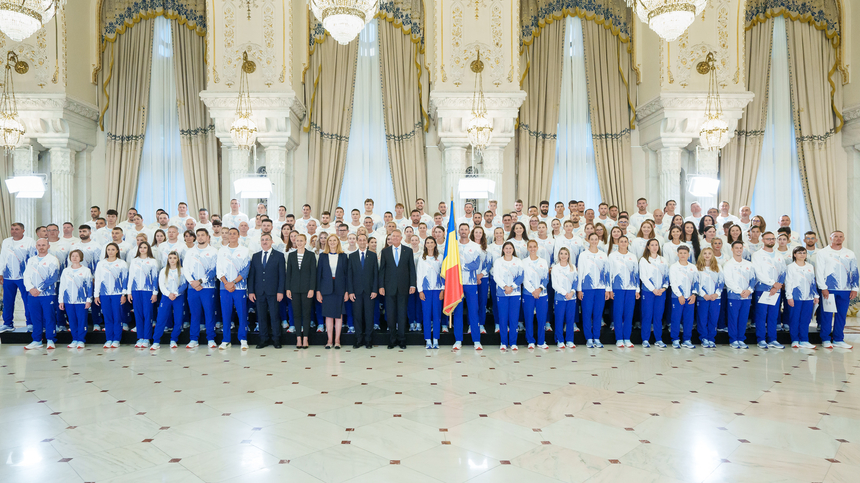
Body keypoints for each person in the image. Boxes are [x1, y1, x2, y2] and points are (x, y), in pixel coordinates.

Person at [815, 231, 858, 349]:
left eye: (840, 237)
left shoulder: (849, 253)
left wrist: (855, 288)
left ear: (843, 238)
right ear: (830, 238)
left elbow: (854, 271)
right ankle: (825, 338)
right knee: (827, 314)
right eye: (835, 236)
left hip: (845, 289)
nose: (838, 239)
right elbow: (819, 271)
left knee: (841, 315)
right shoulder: (823, 253)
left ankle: (839, 339)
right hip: (829, 289)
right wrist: (823, 288)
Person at [378, 229, 416, 349]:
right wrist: (381, 286)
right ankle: (392, 339)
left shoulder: (408, 251)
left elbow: (411, 269)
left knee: (402, 314)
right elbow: (382, 271)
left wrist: (412, 285)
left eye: (397, 236)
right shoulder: (385, 252)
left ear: (401, 238)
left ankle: (402, 339)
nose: (395, 238)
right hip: (389, 288)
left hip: (404, 287)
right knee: (390, 314)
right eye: (393, 236)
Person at [248, 234, 286, 348]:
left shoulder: (279, 256)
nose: (265, 242)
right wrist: (251, 291)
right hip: (259, 291)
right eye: (263, 240)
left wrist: (280, 291)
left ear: (272, 241)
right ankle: (263, 339)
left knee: (274, 315)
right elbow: (252, 275)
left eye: (267, 240)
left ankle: (276, 339)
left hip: (274, 291)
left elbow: (282, 275)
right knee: (261, 316)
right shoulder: (255, 256)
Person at [22, 238, 61, 350]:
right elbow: (26, 275)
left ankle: (50, 339)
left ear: (48, 246)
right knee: (35, 318)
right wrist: (30, 288)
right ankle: (37, 340)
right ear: (36, 246)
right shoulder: (31, 260)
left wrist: (39, 289)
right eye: (39, 245)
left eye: (43, 245)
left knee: (49, 317)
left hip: (48, 294)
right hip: (33, 295)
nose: (41, 247)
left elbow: (53, 277)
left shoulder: (53, 259)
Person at [451, 224, 485, 350]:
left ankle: (476, 341)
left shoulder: (476, 246)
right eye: (461, 229)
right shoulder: (453, 245)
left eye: (466, 229)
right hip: (456, 284)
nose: (464, 231)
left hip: (471, 284)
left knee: (473, 312)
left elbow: (476, 264)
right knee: (458, 312)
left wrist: (460, 267)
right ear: (459, 231)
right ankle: (458, 340)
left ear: (469, 231)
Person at [184, 228, 220, 349]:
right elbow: (186, 269)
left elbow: (214, 270)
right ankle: (194, 339)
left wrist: (200, 281)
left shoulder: (214, 251)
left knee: (209, 313)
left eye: (202, 235)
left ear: (208, 237)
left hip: (208, 287)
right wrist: (192, 282)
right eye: (198, 235)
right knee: (194, 314)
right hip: (192, 288)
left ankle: (211, 338)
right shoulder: (190, 252)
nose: (200, 237)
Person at [217, 228, 252, 350]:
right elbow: (219, 269)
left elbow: (246, 270)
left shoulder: (244, 251)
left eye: (234, 234)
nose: (231, 235)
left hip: (240, 287)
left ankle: (243, 339)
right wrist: (226, 283)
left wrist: (233, 282)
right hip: (224, 287)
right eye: (229, 233)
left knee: (242, 314)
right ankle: (226, 339)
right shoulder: (222, 251)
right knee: (226, 314)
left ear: (238, 235)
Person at [751, 232, 786, 349]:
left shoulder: (779, 255)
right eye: (768, 239)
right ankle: (761, 339)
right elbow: (758, 273)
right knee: (761, 315)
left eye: (772, 239)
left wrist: (778, 285)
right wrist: (773, 284)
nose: (771, 241)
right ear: (763, 240)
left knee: (773, 315)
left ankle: (772, 339)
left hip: (776, 290)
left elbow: (783, 271)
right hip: (762, 289)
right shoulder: (757, 255)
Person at [0, 222, 37, 333]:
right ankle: (8, 323)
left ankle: (30, 323)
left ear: (23, 230)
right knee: (7, 301)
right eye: (12, 229)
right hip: (8, 277)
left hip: (24, 277)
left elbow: (33, 259)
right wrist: (0, 273)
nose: (14, 231)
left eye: (16, 229)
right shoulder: (6, 241)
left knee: (28, 301)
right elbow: (2, 258)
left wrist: (31, 276)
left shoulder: (29, 241)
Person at [578, 232, 610, 349]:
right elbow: (580, 272)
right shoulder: (583, 255)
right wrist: (579, 289)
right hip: (587, 288)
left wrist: (607, 289)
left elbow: (607, 273)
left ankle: (596, 337)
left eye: (596, 239)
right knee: (587, 313)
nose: (594, 241)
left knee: (598, 313)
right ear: (588, 240)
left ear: (598, 240)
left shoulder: (603, 255)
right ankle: (588, 338)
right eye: (592, 239)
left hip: (600, 288)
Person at [316, 235, 349, 349]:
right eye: (330, 240)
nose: (332, 242)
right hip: (326, 289)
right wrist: (318, 291)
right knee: (329, 315)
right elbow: (318, 275)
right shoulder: (322, 256)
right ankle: (329, 340)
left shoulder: (344, 256)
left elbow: (347, 275)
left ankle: (337, 340)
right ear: (327, 242)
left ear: (338, 242)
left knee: (338, 315)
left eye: (334, 240)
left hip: (340, 288)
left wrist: (347, 291)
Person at [95, 243, 129, 349]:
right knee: (107, 317)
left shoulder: (122, 263)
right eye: (108, 249)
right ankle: (109, 339)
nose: (110, 251)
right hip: (104, 294)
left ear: (117, 251)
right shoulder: (101, 264)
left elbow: (125, 279)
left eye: (113, 249)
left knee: (117, 317)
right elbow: (98, 279)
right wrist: (96, 294)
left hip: (117, 294)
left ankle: (116, 339)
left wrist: (124, 294)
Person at [127, 241, 160, 349]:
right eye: (141, 247)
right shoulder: (134, 261)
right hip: (136, 290)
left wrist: (155, 293)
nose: (142, 249)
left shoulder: (152, 261)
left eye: (145, 247)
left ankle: (147, 338)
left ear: (148, 249)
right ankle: (140, 337)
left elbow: (155, 278)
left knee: (147, 314)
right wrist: (129, 292)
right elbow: (130, 277)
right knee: (138, 314)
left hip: (148, 291)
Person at [723, 241, 757, 349]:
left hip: (747, 296)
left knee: (743, 318)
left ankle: (741, 338)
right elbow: (728, 281)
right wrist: (740, 291)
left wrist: (749, 290)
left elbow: (753, 279)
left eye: (740, 248)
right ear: (732, 249)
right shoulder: (728, 264)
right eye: (736, 248)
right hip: (734, 296)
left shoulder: (748, 264)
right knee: (733, 318)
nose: (738, 250)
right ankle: (733, 339)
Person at [287, 233, 318, 349]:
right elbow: (288, 274)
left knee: (306, 314)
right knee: (296, 314)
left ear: (305, 242)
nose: (299, 242)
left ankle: (305, 338)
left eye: (301, 240)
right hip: (294, 289)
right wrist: (288, 289)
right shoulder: (291, 255)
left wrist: (312, 288)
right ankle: (298, 338)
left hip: (306, 289)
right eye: (297, 240)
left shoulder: (310, 255)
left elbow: (313, 274)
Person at [608, 236, 639, 348]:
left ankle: (627, 338)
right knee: (618, 313)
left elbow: (636, 273)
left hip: (631, 288)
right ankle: (619, 338)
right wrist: (609, 289)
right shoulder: (612, 256)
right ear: (618, 243)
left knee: (629, 313)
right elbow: (609, 273)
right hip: (617, 288)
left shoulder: (632, 256)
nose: (623, 243)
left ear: (628, 243)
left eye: (625, 241)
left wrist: (637, 289)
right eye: (621, 241)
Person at [493, 241, 525, 351]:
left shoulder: (518, 261)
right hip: (502, 293)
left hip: (515, 293)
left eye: (510, 248)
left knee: (514, 318)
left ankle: (513, 342)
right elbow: (496, 276)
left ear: (513, 250)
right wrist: (505, 287)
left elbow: (521, 276)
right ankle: (503, 342)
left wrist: (512, 287)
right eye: (506, 248)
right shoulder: (498, 261)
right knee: (503, 318)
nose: (508, 250)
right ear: (503, 250)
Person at [152, 251, 187, 349]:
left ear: (178, 259)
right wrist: (168, 294)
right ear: (168, 259)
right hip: (166, 297)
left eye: (174, 258)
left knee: (178, 319)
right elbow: (161, 285)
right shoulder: (163, 270)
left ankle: (173, 340)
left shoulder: (182, 270)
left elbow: (184, 284)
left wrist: (175, 293)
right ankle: (156, 341)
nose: (172, 260)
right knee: (161, 319)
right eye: (170, 258)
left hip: (178, 297)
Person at [785, 246, 818, 349]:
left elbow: (813, 281)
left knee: (806, 319)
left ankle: (804, 340)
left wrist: (816, 295)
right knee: (794, 319)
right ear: (794, 254)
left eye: (804, 253)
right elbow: (788, 282)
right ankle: (795, 340)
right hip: (795, 297)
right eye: (799, 253)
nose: (802, 254)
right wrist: (789, 296)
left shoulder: (810, 266)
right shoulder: (791, 267)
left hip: (808, 297)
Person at [639, 239, 669, 348]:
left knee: (658, 316)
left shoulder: (663, 260)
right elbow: (643, 276)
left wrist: (663, 288)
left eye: (656, 245)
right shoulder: (644, 260)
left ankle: (658, 339)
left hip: (661, 292)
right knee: (647, 315)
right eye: (652, 245)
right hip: (648, 292)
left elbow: (666, 276)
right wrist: (653, 289)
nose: (654, 247)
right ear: (648, 247)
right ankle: (645, 339)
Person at [522, 240, 550, 350]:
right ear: (527, 248)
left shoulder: (543, 261)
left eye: (534, 246)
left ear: (537, 248)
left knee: (541, 318)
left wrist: (539, 289)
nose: (532, 248)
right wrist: (533, 290)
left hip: (542, 294)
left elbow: (545, 278)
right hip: (528, 293)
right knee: (528, 317)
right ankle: (530, 341)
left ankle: (541, 341)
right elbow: (524, 278)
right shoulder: (524, 261)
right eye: (530, 246)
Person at [416, 237, 444, 349]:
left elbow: (444, 274)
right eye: (428, 242)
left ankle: (436, 339)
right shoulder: (422, 258)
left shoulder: (440, 257)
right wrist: (420, 290)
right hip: (426, 290)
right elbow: (419, 274)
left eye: (432, 242)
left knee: (437, 315)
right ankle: (428, 340)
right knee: (426, 315)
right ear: (425, 245)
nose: (430, 244)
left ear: (435, 244)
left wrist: (443, 289)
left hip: (437, 290)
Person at [669, 246, 698, 349]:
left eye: (685, 253)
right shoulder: (674, 267)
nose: (682, 255)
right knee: (676, 318)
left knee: (689, 319)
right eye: (680, 253)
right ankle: (675, 339)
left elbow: (696, 281)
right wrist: (679, 295)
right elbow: (673, 282)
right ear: (677, 254)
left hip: (690, 297)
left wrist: (694, 294)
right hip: (677, 297)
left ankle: (687, 340)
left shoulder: (693, 267)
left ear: (688, 255)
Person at [696, 247, 724, 348]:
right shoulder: (697, 268)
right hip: (703, 298)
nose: (707, 255)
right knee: (702, 318)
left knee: (713, 318)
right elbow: (696, 283)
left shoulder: (718, 267)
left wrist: (716, 294)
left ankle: (711, 338)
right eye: (705, 253)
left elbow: (721, 282)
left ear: (713, 256)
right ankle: (704, 337)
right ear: (701, 255)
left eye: (709, 253)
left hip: (715, 298)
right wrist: (703, 294)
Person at [550, 247, 577, 349]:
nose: (563, 256)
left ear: (568, 255)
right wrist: (565, 293)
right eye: (561, 253)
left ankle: (570, 340)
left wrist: (572, 292)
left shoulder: (573, 267)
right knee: (559, 319)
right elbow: (554, 284)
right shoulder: (556, 268)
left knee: (570, 319)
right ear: (559, 255)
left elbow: (575, 281)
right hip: (560, 298)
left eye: (565, 253)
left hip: (571, 298)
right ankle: (560, 340)